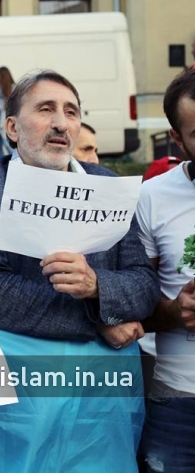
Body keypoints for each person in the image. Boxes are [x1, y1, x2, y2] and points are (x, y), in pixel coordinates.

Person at [0, 70, 159, 344]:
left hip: (107, 374)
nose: (61, 123)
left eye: (71, 112)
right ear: (12, 128)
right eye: (46, 109)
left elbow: (144, 287)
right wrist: (97, 321)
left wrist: (95, 285)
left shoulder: (109, 186)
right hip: (29, 369)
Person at [136, 69, 195, 473]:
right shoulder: (152, 197)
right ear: (178, 139)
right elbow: (132, 306)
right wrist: (176, 310)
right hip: (179, 403)